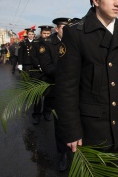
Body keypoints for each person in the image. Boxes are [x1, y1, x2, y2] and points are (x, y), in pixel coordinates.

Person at [54, 0, 118, 171]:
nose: (117, 3)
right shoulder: (76, 33)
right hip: (92, 128)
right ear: (95, 0)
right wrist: (71, 130)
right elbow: (67, 88)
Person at [39, 17, 71, 171]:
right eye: (64, 27)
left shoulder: (73, 42)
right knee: (61, 122)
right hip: (59, 88)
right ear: (57, 29)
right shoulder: (48, 43)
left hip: (75, 89)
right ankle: (63, 153)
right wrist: (66, 75)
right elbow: (47, 67)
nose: (66, 30)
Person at [29, 25, 53, 124]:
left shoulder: (53, 43)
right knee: (37, 95)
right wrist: (39, 65)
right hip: (38, 73)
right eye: (44, 33)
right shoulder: (36, 43)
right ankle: (36, 115)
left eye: (48, 33)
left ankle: (47, 112)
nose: (46, 35)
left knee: (50, 95)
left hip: (49, 73)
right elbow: (33, 56)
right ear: (41, 33)